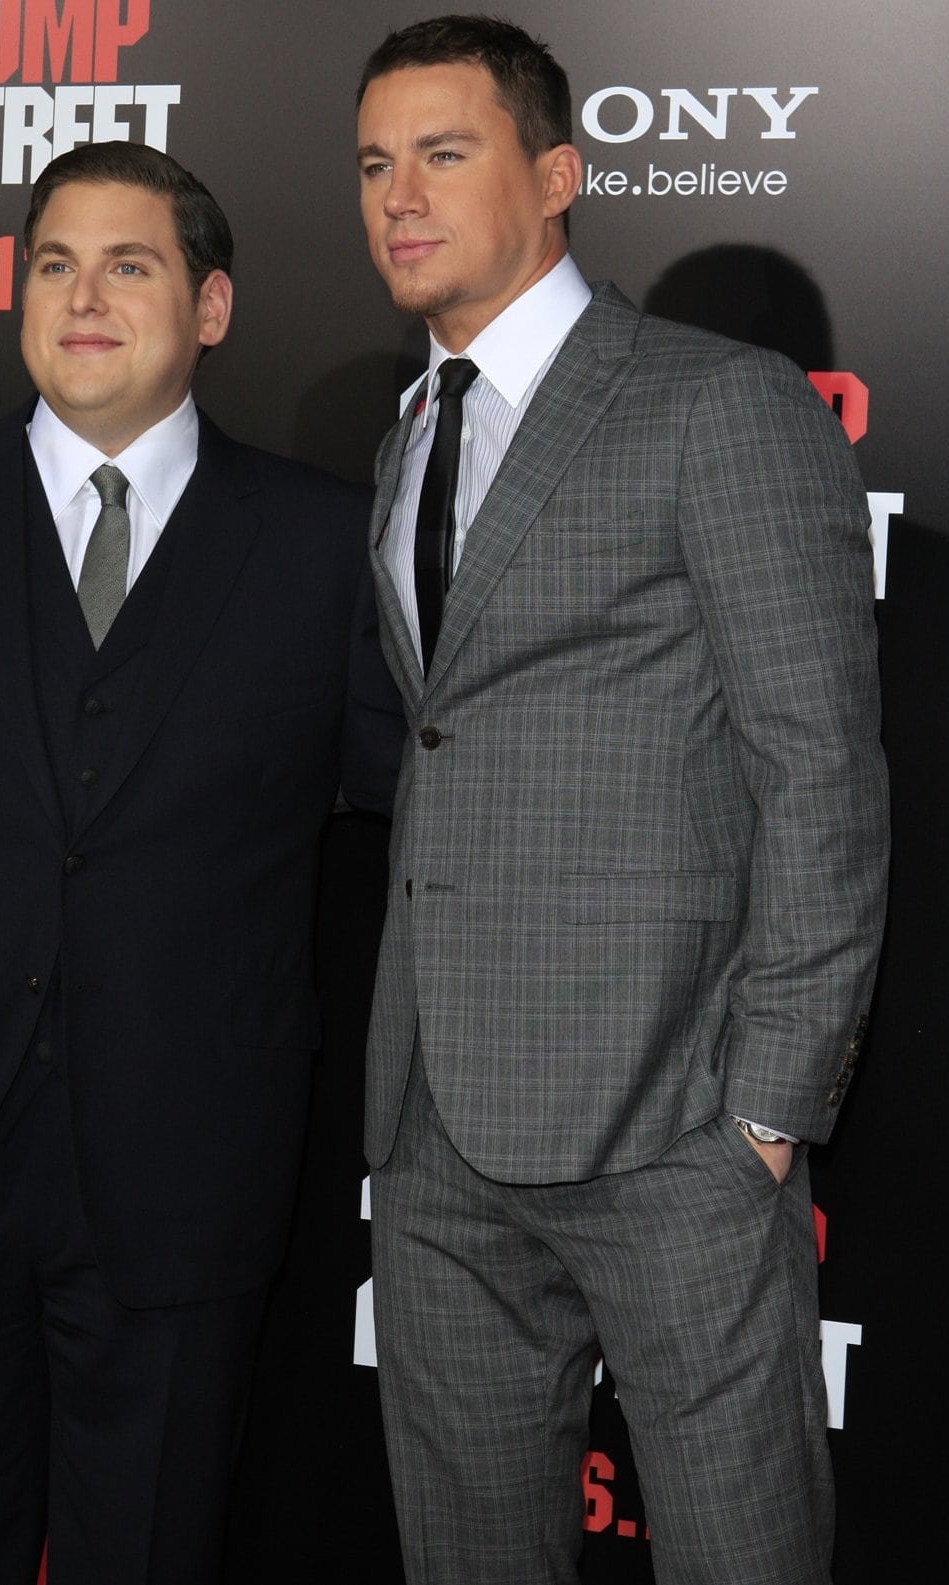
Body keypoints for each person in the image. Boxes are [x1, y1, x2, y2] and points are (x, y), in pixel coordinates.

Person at [0, 140, 402, 1584]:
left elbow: (420, 813)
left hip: (186, 1183)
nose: (83, 295)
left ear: (212, 308)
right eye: (54, 263)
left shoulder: (319, 545)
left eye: (129, 264)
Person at [353, 16, 887, 1585]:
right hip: (438, 1120)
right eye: (376, 163)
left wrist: (767, 1114)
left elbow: (820, 769)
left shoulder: (717, 403)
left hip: (674, 1121)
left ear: (560, 174)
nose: (399, 195)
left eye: (444, 154)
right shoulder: (410, 434)